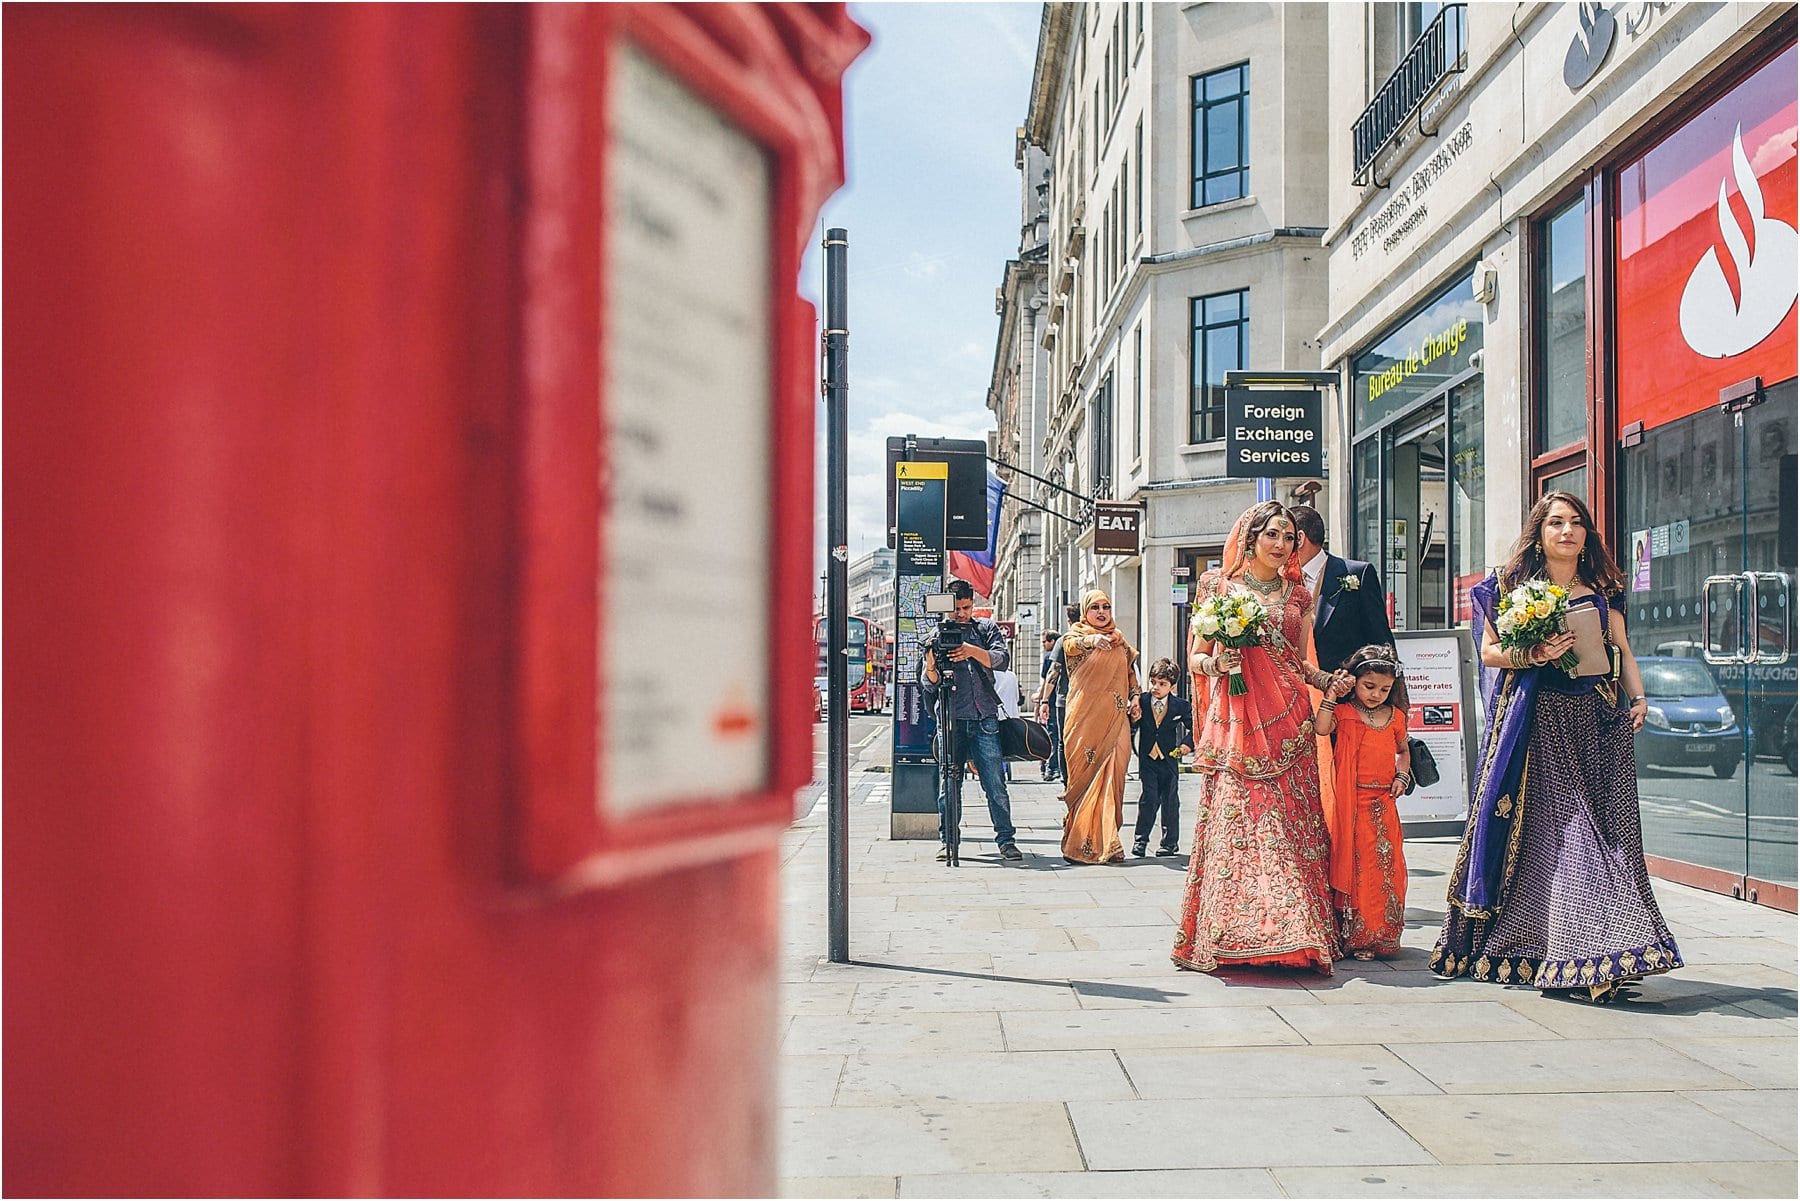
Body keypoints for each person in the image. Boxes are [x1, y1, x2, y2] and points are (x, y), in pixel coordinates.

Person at [1432, 491, 1681, 1002]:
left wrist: (1639, 697)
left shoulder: (1605, 590)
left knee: (1614, 838)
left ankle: (1603, 944)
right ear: (1539, 533)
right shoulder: (1511, 588)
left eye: (1576, 523)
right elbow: (1491, 653)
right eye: (1556, 523)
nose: (1567, 531)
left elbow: (1624, 650)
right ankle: (1593, 955)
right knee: (1573, 839)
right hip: (1541, 722)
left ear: (1586, 533)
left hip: (1601, 722)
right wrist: (1536, 651)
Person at [1173, 501, 1347, 974]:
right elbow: (1194, 658)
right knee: (1245, 826)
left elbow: (1296, 659)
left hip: (1290, 723)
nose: (1281, 545)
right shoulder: (1218, 587)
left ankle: (1297, 934)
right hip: (1238, 727)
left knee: (1289, 829)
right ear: (1250, 538)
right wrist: (1216, 664)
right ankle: (1237, 933)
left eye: (1289, 537)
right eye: (1272, 534)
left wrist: (1325, 681)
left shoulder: (1298, 595)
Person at [1315, 645, 1412, 960]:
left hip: (1384, 801)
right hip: (1352, 803)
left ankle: (1385, 934)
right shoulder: (1344, 713)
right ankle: (1358, 938)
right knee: (1359, 868)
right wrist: (1331, 693)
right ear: (1354, 681)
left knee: (1389, 867)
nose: (1376, 694)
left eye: (1385, 689)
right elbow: (1320, 727)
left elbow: (1403, 751)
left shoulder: (1395, 716)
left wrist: (1402, 777)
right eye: (1369, 686)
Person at [921, 579, 1022, 861]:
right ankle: (949, 841)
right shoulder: (936, 634)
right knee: (949, 784)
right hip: (951, 719)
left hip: (983, 717)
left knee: (994, 784)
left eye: (966, 608)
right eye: (956, 609)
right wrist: (931, 665)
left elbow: (1003, 659)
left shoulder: (984, 628)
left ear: (972, 604)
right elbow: (929, 684)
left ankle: (1006, 840)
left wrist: (970, 650)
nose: (961, 614)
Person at [1056, 590, 1139, 864]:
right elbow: (1072, 646)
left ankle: (1109, 843)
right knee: (1086, 778)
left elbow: (1130, 675)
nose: (1102, 612)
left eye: (1106, 606)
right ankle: (1080, 844)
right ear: (1085, 612)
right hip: (1084, 722)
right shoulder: (1075, 636)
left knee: (1113, 780)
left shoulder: (1120, 642)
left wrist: (1136, 698)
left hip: (1116, 721)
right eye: (1095, 608)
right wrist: (1092, 640)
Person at [1292, 506, 1392, 674]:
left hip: (1344, 691)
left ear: (1300, 538)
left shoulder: (1357, 573)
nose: (1278, 545)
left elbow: (1380, 640)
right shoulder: (1280, 581)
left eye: (1287, 537)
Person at [1130, 658, 1192, 858]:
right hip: (1148, 759)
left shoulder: (1180, 706)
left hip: (1169, 760)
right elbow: (1130, 727)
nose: (1156, 687)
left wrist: (1186, 745)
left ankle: (1169, 843)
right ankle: (1140, 840)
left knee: (1170, 800)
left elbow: (1196, 728)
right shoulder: (1144, 701)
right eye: (1153, 682)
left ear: (1172, 686)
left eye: (1162, 684)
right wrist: (1133, 719)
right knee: (1148, 798)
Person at [1034, 604, 1081, 783]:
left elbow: (1053, 672)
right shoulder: (1093, 638)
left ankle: (1067, 781)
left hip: (1064, 700)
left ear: (1069, 621)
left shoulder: (1064, 640)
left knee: (1063, 741)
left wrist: (1044, 701)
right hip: (1082, 699)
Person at [1035, 630, 1062, 782]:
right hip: (1064, 700)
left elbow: (1047, 679)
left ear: (1053, 642)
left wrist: (1042, 700)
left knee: (1052, 736)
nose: (1044, 645)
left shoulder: (1048, 659)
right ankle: (1056, 768)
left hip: (1052, 701)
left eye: (1045, 641)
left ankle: (1051, 768)